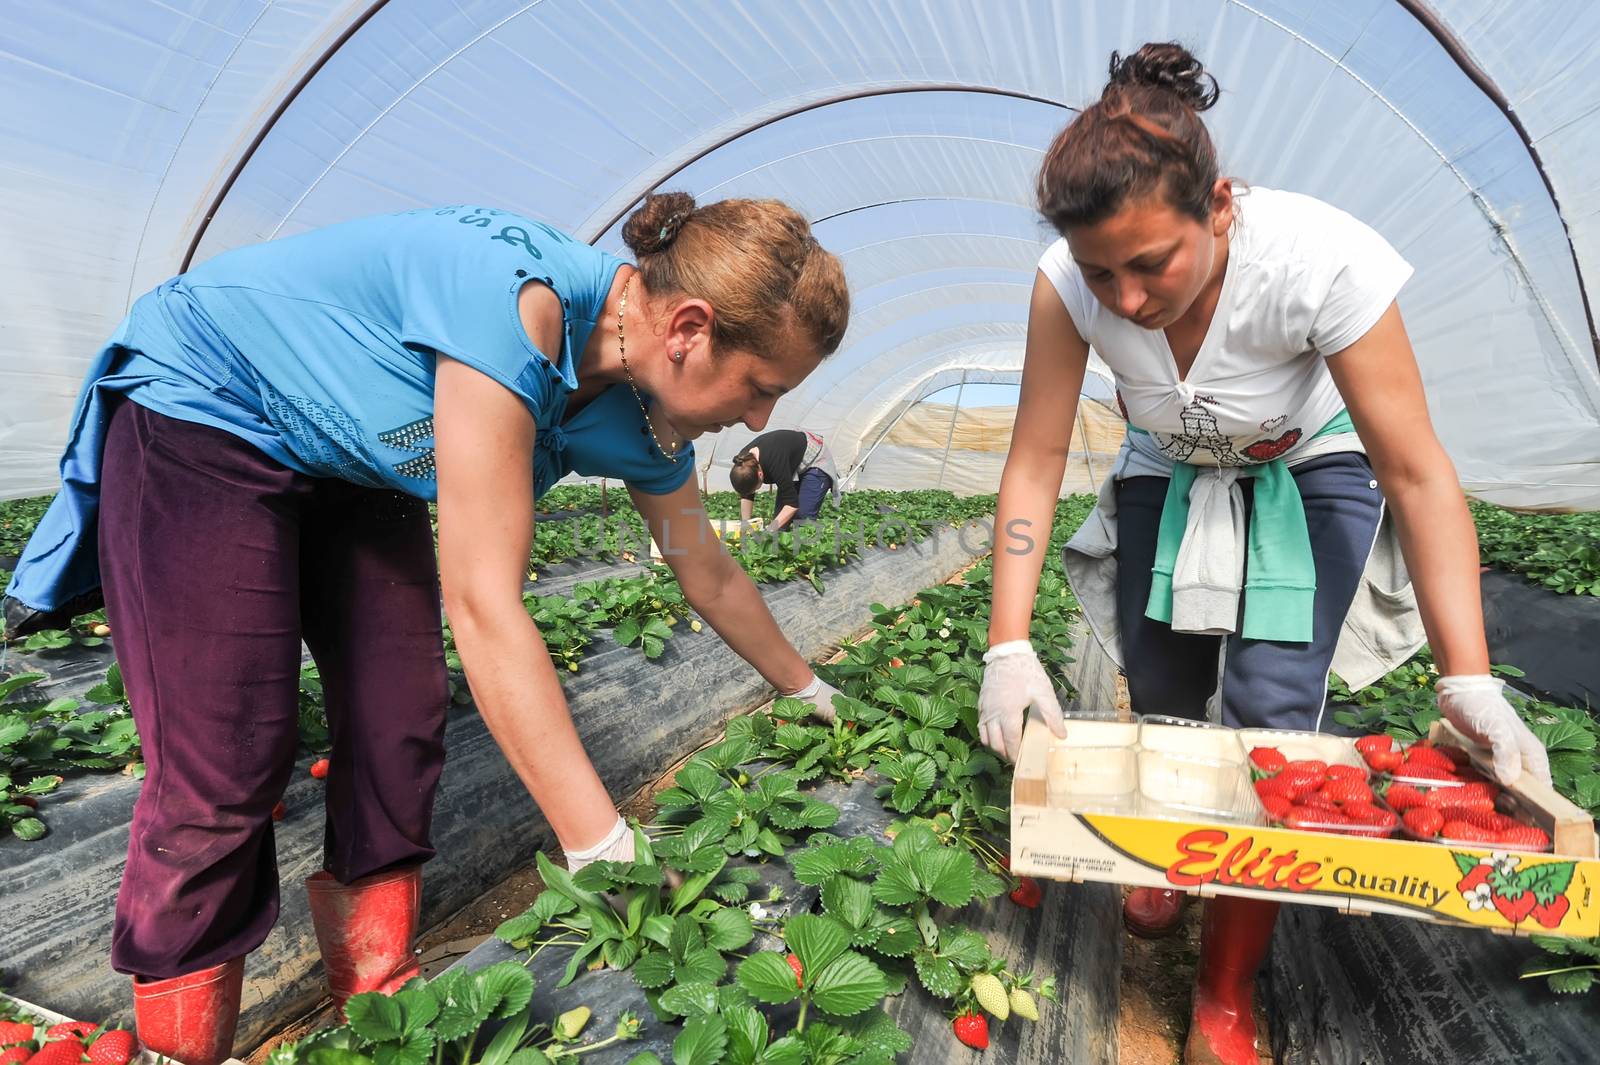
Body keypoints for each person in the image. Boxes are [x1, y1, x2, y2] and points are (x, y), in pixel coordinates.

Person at [1, 193, 847, 1065]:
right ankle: (180, 1047)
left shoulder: (648, 430)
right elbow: (484, 601)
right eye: (761, 387)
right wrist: (601, 843)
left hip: (354, 461)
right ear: (690, 329)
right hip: (213, 407)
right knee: (226, 756)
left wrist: (810, 687)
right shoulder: (516, 305)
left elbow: (703, 565)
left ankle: (376, 1006)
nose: (758, 421)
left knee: (401, 715)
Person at [975, 43, 1551, 1065]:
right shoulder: (1066, 284)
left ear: (1221, 208)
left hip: (1309, 457)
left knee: (1275, 714)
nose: (1129, 297)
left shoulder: (1322, 262)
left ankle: (1225, 991)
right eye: (1104, 272)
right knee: (1157, 678)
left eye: (1152, 262)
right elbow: (1033, 460)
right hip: (1167, 458)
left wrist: (1468, 677)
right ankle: (1161, 856)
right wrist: (1005, 645)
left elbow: (1415, 472)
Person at [729, 428, 841, 532]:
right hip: (791, 462)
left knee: (803, 518)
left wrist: (768, 532)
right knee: (780, 523)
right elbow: (747, 493)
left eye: (754, 489)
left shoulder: (774, 462)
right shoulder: (743, 462)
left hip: (816, 459)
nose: (753, 492)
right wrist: (745, 526)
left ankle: (806, 548)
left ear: (760, 474)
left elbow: (791, 504)